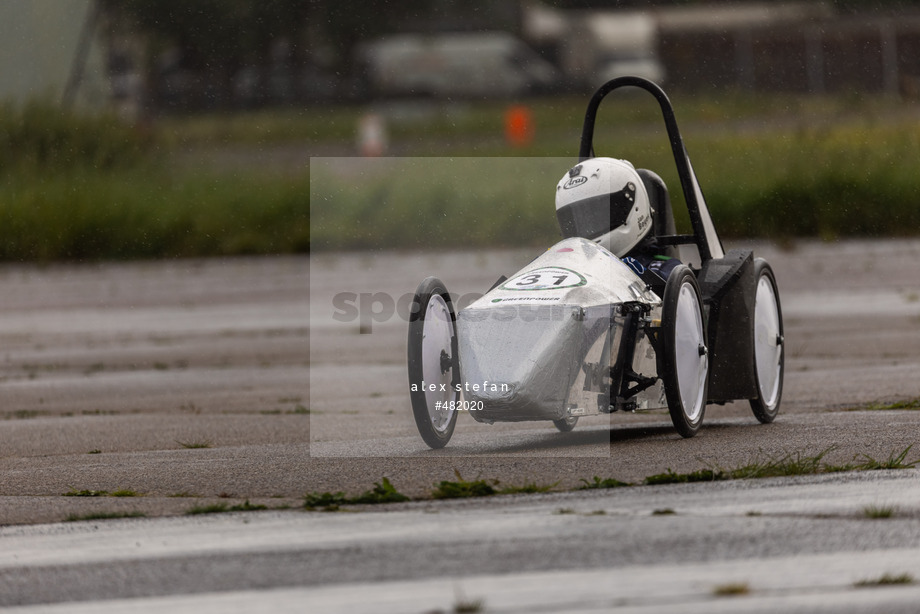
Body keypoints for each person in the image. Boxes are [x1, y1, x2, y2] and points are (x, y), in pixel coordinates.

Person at [554, 157, 679, 291]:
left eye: (596, 215)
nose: (587, 227)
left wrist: (626, 272)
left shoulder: (664, 269)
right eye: (576, 221)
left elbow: (669, 291)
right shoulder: (570, 270)